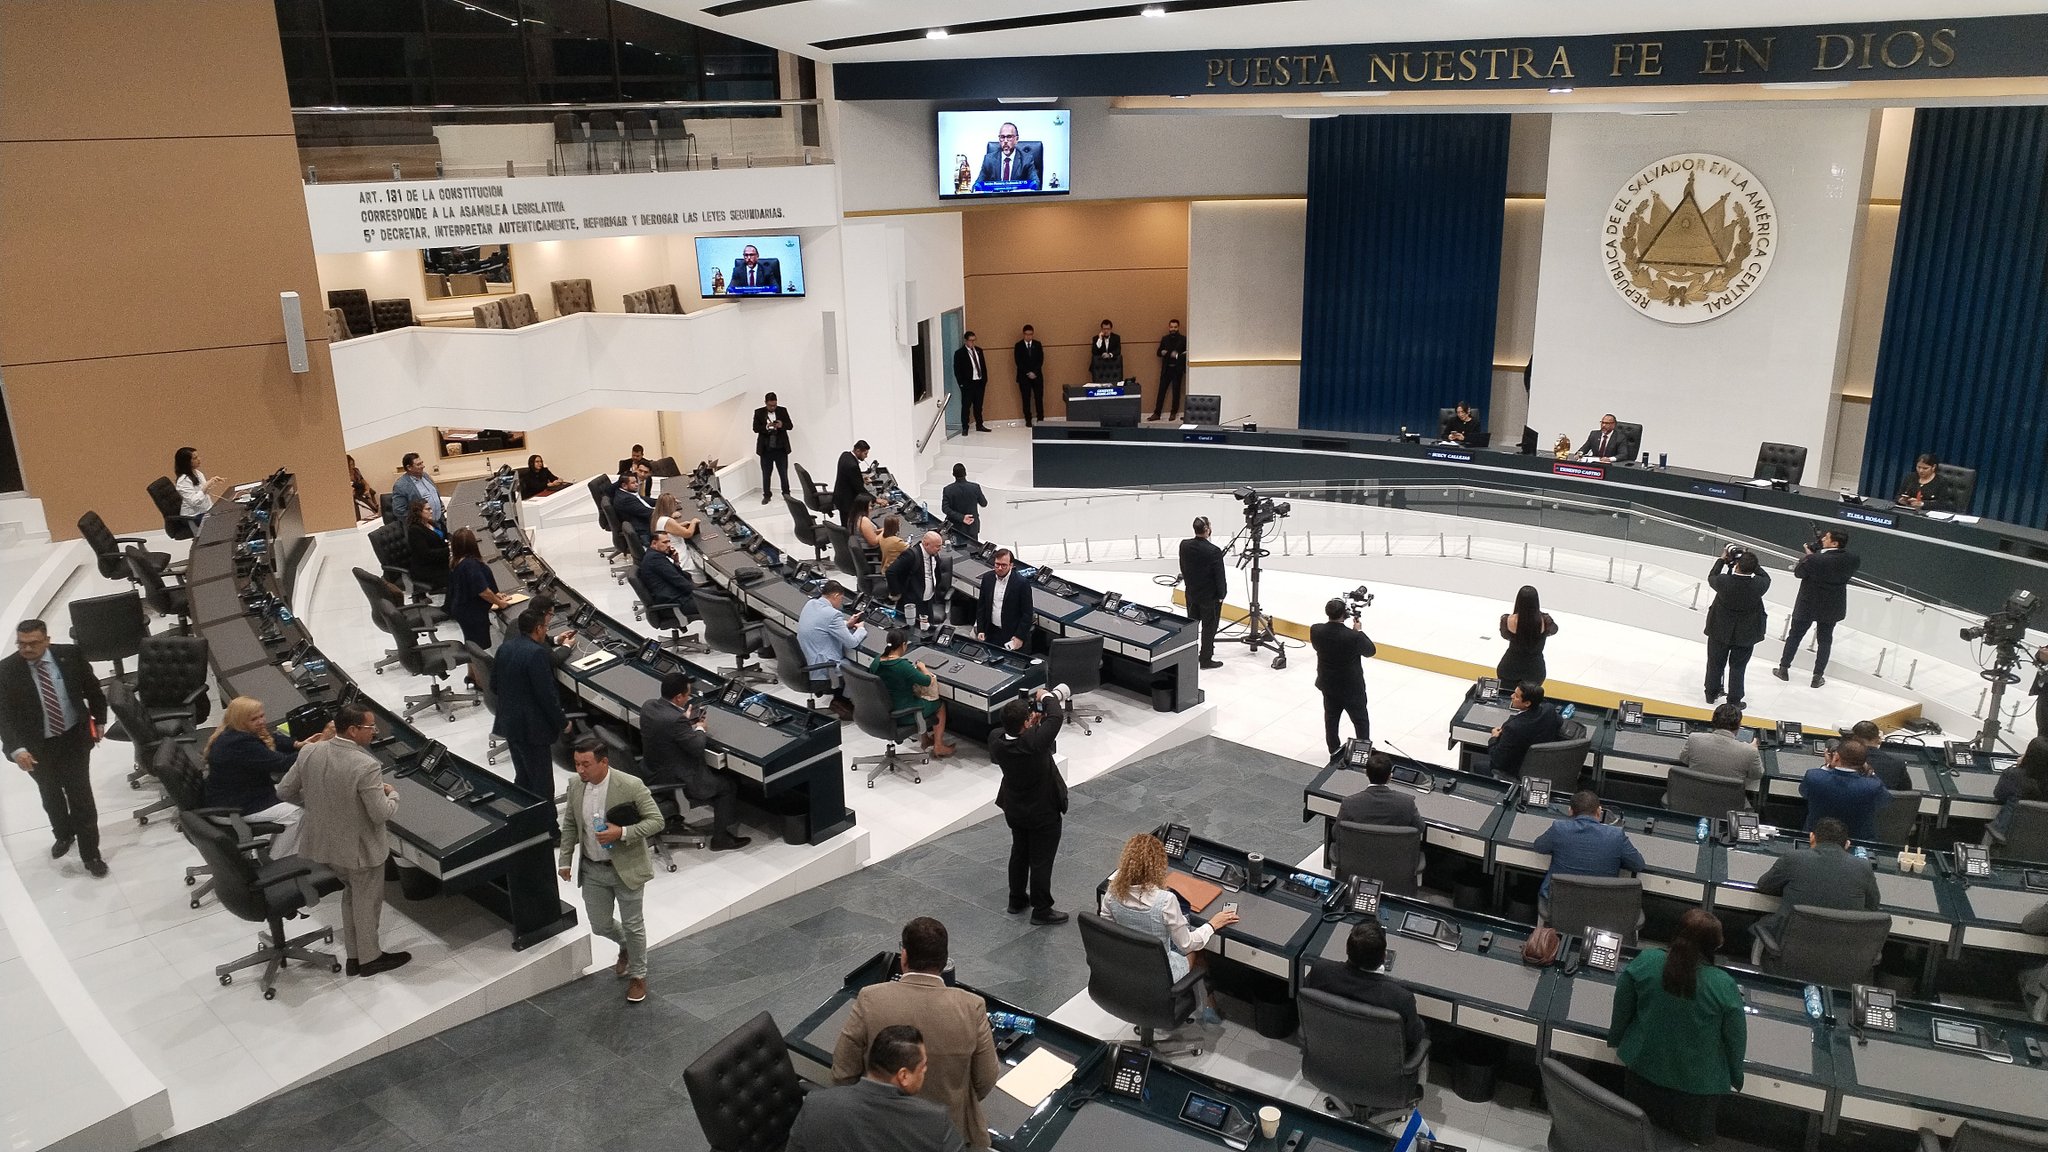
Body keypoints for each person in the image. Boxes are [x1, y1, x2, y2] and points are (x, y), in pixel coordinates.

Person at [830, 918, 999, 1148]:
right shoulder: (972, 1006)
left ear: (904, 957)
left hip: (879, 1134)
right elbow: (986, 1079)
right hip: (947, 1137)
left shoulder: (870, 998)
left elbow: (843, 1073)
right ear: (944, 962)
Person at [276, 701, 408, 975]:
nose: (374, 732)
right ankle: (370, 959)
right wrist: (393, 794)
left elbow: (284, 791)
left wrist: (315, 806)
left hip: (326, 844)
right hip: (360, 849)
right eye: (370, 727)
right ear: (352, 729)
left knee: (351, 895)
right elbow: (380, 813)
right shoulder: (366, 765)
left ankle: (354, 957)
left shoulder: (310, 751)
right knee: (367, 902)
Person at [1610, 908, 1746, 1144]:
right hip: (1697, 1093)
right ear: (1714, 946)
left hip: (1642, 1074)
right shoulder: (1724, 985)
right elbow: (1735, 1039)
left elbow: (1621, 1009)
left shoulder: (1646, 962)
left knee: (1640, 1139)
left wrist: (1616, 1039)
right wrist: (1736, 1076)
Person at [557, 739, 664, 1003]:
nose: (580, 770)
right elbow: (570, 823)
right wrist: (565, 859)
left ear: (604, 762)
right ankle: (626, 945)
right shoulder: (575, 785)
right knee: (600, 924)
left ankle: (638, 975)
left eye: (586, 764)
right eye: (577, 764)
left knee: (633, 924)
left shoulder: (630, 785)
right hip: (593, 869)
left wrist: (622, 832)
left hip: (626, 867)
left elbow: (656, 821)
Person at [2, 619, 110, 876]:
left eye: (33, 643)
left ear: (47, 641)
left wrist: (100, 719)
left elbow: (92, 688)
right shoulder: (6, 670)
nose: (27, 649)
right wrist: (17, 749)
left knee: (80, 796)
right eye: (21, 644)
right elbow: (3, 716)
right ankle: (63, 833)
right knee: (50, 793)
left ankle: (91, 854)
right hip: (36, 746)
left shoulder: (70, 655)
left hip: (73, 738)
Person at [1101, 833, 1240, 1019]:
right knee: (1198, 950)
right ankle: (1209, 1007)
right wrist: (1212, 925)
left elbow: (1107, 929)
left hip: (1126, 965)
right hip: (1162, 973)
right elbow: (1188, 944)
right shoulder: (1165, 900)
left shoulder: (1112, 892)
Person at [790, 1026, 965, 1152]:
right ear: (903, 1075)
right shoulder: (934, 1121)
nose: (925, 1070)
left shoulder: (816, 1104)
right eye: (923, 1065)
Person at [204, 696, 330, 856]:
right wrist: (316, 747)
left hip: (239, 795)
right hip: (235, 806)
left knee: (299, 796)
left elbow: (269, 738)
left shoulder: (233, 732)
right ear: (240, 721)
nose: (261, 721)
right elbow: (282, 763)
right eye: (254, 719)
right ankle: (279, 860)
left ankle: (281, 849)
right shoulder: (239, 744)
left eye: (262, 716)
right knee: (297, 815)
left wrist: (298, 744)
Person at [639, 672, 750, 850]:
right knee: (728, 786)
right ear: (678, 697)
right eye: (687, 695)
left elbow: (667, 728)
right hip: (675, 777)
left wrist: (683, 720)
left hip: (651, 770)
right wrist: (699, 728)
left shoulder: (648, 706)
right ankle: (721, 839)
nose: (688, 698)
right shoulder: (675, 720)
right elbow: (697, 747)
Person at [1751, 817, 1881, 957]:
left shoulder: (1793, 858)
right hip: (1841, 957)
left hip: (1790, 955)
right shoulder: (1864, 867)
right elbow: (1873, 905)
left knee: (1765, 923)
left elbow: (1764, 885)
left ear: (1812, 837)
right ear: (1847, 845)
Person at [993, 689, 1068, 924]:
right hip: (1043, 811)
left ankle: (1016, 899)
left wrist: (1030, 726)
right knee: (1041, 860)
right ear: (1025, 723)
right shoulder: (1035, 742)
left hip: (1015, 809)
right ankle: (1042, 909)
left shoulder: (996, 741)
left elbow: (1018, 737)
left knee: (1019, 852)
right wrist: (1045, 696)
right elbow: (1056, 716)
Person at [1302, 920, 1424, 1057]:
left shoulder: (1320, 970)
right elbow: (1413, 1039)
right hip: (1377, 1060)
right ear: (1384, 957)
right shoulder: (1400, 998)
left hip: (1328, 1049)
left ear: (1347, 950)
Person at [493, 605, 571, 805]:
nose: (546, 631)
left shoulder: (505, 648)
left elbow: (494, 685)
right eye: (545, 627)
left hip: (509, 723)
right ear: (538, 628)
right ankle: (548, 823)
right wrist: (563, 723)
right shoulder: (536, 653)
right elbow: (547, 696)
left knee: (523, 778)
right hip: (531, 729)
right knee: (542, 784)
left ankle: (525, 815)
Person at [1534, 790, 1646, 924]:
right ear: (1599, 811)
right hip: (1601, 908)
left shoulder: (1559, 828)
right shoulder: (1616, 835)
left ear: (1570, 811)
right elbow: (1638, 865)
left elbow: (1539, 846)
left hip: (1557, 904)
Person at [1773, 529, 1860, 688]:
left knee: (1795, 636)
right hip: (1832, 606)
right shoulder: (1853, 559)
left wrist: (1808, 556)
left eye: (1826, 538)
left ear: (1835, 543)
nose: (1823, 540)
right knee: (1825, 641)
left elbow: (1799, 573)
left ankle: (1783, 668)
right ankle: (1817, 676)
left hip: (1808, 604)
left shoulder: (1814, 559)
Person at [1704, 545, 1770, 706]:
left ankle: (1710, 694)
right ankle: (1734, 700)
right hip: (1746, 634)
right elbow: (1764, 576)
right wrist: (1750, 561)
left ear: (1737, 565)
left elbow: (1712, 576)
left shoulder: (1723, 581)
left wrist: (1722, 559)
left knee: (1714, 663)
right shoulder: (1760, 584)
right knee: (1738, 667)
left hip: (1719, 630)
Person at [1310, 597, 1377, 754]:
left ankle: (1333, 750)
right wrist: (1359, 631)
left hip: (1328, 684)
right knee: (1360, 720)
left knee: (1331, 719)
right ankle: (1362, 751)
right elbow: (1370, 651)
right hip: (1351, 688)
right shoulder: (1353, 637)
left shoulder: (1316, 630)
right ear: (1344, 614)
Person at [873, 627, 953, 757]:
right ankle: (939, 746)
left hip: (882, 711)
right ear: (904, 645)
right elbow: (927, 681)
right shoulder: (902, 666)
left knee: (917, 697)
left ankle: (925, 740)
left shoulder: (876, 661)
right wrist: (923, 668)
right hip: (902, 713)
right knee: (939, 705)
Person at [799, 580, 867, 721]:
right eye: (841, 598)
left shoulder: (810, 604)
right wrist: (861, 629)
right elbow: (852, 642)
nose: (841, 603)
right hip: (823, 666)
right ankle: (843, 700)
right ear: (836, 595)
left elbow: (822, 623)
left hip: (808, 659)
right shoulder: (833, 614)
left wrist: (847, 624)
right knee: (861, 667)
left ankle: (841, 697)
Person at [1799, 738, 1891, 842]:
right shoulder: (1873, 785)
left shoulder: (1814, 776)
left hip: (1816, 838)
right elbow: (1885, 802)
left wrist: (1827, 766)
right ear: (1864, 762)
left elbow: (1804, 792)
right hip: (1857, 841)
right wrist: (1870, 772)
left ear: (1837, 757)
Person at [1675, 703, 1763, 805]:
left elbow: (1683, 759)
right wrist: (1752, 750)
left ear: (1713, 721)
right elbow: (1756, 775)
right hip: (1729, 804)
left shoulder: (1694, 738)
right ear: (1739, 725)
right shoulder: (1750, 751)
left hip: (1693, 799)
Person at [1337, 750, 1428, 840]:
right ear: (1390, 776)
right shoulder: (1407, 803)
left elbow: (1336, 833)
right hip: (1395, 849)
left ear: (1366, 773)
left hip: (1357, 849)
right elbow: (1420, 828)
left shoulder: (1349, 803)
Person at [1486, 680, 1565, 781]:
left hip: (1515, 771)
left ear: (1527, 703)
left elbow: (1497, 760)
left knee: (1480, 765)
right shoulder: (1549, 709)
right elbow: (1559, 722)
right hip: (1542, 766)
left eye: (1516, 696)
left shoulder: (1513, 728)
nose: (1511, 696)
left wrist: (1493, 738)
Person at [1179, 516, 1227, 670]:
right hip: (1209, 597)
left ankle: (1188, 654)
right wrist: (1222, 595)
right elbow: (1219, 576)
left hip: (1192, 593)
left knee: (1192, 625)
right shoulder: (1214, 551)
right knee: (1209, 628)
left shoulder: (1184, 545)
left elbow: (1183, 567)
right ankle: (1205, 659)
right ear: (1207, 529)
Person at [887, 531, 954, 631]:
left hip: (928, 602)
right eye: (937, 546)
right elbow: (891, 572)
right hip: (912, 603)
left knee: (928, 632)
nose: (940, 549)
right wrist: (896, 593)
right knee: (910, 632)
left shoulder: (934, 554)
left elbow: (936, 573)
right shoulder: (910, 555)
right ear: (926, 544)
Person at [1496, 584, 1557, 688]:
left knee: (1505, 695)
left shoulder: (1508, 620)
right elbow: (1554, 630)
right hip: (1535, 670)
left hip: (1510, 667)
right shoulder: (1545, 621)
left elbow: (1505, 635)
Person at [1991, 735, 2048, 843]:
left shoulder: (2014, 775)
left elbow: (1999, 794)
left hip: (2004, 838)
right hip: (2041, 845)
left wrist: (2019, 766)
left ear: (2029, 755)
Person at [974, 548, 1032, 651]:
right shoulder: (987, 578)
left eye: (1004, 565)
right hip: (991, 632)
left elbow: (1027, 614)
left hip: (1012, 635)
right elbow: (981, 606)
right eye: (997, 564)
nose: (1000, 568)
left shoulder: (1022, 583)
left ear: (1011, 565)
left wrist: (1019, 636)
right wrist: (981, 629)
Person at [637, 530, 699, 617]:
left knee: (714, 594)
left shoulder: (654, 555)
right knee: (717, 603)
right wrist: (700, 594)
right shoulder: (655, 559)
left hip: (677, 597)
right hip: (676, 603)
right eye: (665, 542)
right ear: (654, 543)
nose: (669, 545)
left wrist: (676, 562)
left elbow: (681, 577)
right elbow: (679, 581)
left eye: (669, 541)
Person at [753, 391, 795, 504]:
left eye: (774, 405)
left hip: (781, 448)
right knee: (766, 474)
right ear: (765, 403)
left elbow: (790, 426)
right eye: (770, 405)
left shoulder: (782, 410)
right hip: (766, 449)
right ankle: (767, 495)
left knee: (783, 473)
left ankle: (786, 494)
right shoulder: (758, 412)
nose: (773, 407)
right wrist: (766, 426)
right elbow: (755, 428)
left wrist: (782, 425)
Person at [1848, 720, 1912, 792]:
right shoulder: (1898, 763)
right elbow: (1906, 793)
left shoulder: (1843, 760)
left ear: (1853, 739)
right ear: (1878, 739)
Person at [172, 445, 227, 526]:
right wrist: (206, 486)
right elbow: (194, 502)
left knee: (228, 512)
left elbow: (203, 493)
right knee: (225, 520)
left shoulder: (198, 473)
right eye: (195, 458)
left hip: (205, 510)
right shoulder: (183, 481)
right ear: (187, 462)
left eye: (198, 457)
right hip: (194, 516)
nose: (199, 459)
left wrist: (212, 481)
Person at [975, 122, 1039, 190]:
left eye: (1009, 137)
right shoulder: (989, 160)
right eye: (1002, 137)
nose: (1005, 141)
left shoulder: (1027, 160)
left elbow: (1036, 184)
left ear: (1016, 139)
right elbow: (978, 185)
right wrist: (975, 188)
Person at [404, 499, 449, 593]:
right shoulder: (414, 530)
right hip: (427, 569)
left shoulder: (430, 523)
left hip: (439, 561)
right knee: (459, 573)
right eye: (428, 509)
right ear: (418, 512)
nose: (431, 511)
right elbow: (426, 554)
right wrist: (448, 549)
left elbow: (442, 538)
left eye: (431, 509)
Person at [390, 451, 443, 530]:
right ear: (409, 467)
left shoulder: (425, 476)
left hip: (439, 522)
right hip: (422, 528)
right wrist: (419, 524)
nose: (423, 466)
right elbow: (399, 511)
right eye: (419, 464)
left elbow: (435, 495)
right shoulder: (401, 486)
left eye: (422, 463)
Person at [952, 332, 990, 435]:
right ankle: (965, 427)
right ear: (966, 341)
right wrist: (961, 384)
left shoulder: (979, 350)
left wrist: (984, 380)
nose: (972, 342)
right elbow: (957, 370)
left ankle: (979, 424)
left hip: (979, 382)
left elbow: (983, 366)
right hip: (968, 384)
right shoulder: (959, 353)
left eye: (974, 340)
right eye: (971, 340)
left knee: (978, 406)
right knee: (966, 406)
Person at [1151, 319, 1186, 422]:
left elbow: (1185, 354)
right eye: (1171, 327)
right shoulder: (1165, 339)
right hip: (1166, 369)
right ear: (1169, 327)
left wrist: (1175, 355)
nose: (1173, 329)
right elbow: (1158, 352)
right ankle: (1157, 413)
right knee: (1161, 391)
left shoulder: (1183, 339)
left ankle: (1173, 413)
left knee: (1176, 392)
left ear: (1178, 327)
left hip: (1177, 369)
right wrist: (1164, 352)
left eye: (1175, 327)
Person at [941, 463, 987, 543]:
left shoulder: (948, 490)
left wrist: (962, 517)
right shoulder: (975, 487)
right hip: (972, 526)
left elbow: (945, 508)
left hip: (955, 527)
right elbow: (984, 503)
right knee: (973, 548)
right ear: (965, 473)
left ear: (953, 474)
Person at [833, 440, 872, 526]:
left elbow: (848, 476)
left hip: (840, 496)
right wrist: (875, 499)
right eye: (865, 454)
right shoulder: (853, 465)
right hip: (847, 501)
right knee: (848, 526)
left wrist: (861, 479)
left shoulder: (845, 455)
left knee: (845, 524)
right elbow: (859, 489)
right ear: (858, 451)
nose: (866, 456)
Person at [1012, 325, 1045, 426]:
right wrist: (1028, 372)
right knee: (1026, 399)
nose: (1028, 336)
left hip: (1037, 376)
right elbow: (1018, 362)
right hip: (1024, 377)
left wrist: (1034, 372)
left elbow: (1040, 360)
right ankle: (1028, 419)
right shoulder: (1018, 346)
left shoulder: (1037, 344)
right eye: (1027, 334)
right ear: (1023, 334)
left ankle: (1040, 418)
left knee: (1039, 398)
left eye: (1030, 334)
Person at [610, 471, 654, 546]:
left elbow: (644, 500)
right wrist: (667, 511)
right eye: (633, 483)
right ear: (624, 485)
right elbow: (647, 512)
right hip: (643, 529)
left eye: (636, 482)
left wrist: (663, 501)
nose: (637, 484)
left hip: (645, 520)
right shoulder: (625, 499)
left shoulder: (627, 492)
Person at [1088, 319, 1123, 384]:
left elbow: (1118, 350)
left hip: (1113, 367)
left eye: (1108, 329)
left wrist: (1109, 355)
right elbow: (1094, 352)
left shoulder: (1116, 338)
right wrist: (1100, 339)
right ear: (1101, 329)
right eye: (1104, 329)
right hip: (1099, 368)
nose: (1106, 331)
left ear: (1111, 329)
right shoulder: (1096, 338)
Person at [348, 454, 379, 519]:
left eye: (353, 464)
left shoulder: (356, 470)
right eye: (350, 465)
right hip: (355, 491)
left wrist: (367, 489)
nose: (352, 466)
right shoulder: (345, 473)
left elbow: (364, 481)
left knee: (371, 492)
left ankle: (375, 509)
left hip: (361, 488)